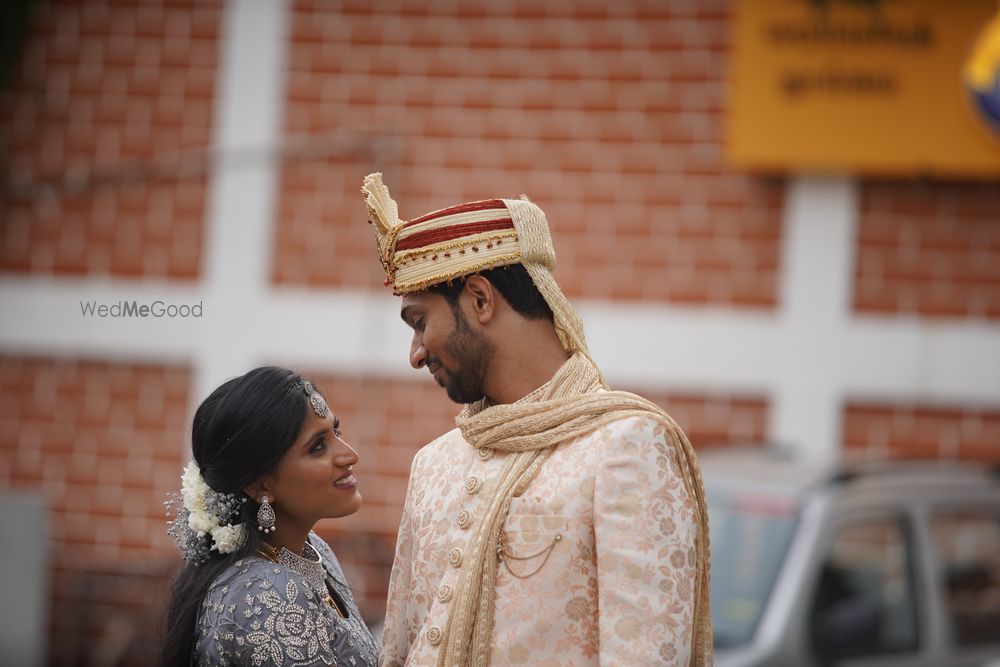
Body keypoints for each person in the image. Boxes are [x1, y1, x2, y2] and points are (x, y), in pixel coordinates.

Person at [361, 174, 713, 666]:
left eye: (421, 322)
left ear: (480, 300)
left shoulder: (625, 447)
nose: (416, 355)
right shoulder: (433, 463)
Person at [160, 366, 379, 667]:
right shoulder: (269, 594)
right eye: (318, 446)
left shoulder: (313, 552)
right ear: (259, 484)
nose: (349, 455)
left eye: (336, 431)